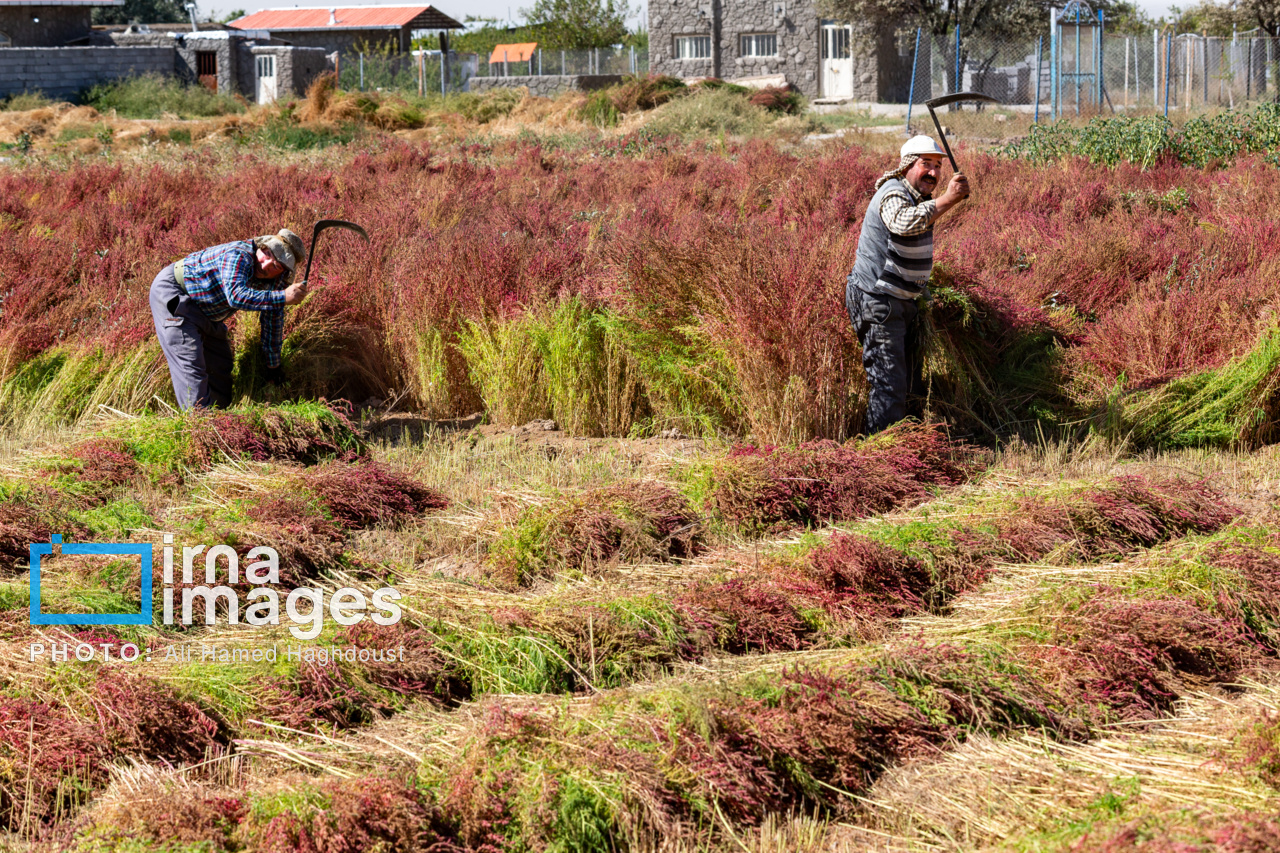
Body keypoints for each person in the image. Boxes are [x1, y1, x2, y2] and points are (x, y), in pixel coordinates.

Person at [847, 135, 971, 434]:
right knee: (889, 382)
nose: (933, 172)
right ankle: (880, 453)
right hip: (879, 302)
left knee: (910, 380)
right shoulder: (893, 194)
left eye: (938, 166)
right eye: (925, 164)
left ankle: (906, 445)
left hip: (901, 302)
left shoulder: (918, 198)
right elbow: (902, 223)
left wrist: (921, 292)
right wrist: (948, 200)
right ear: (906, 166)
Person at [149, 230, 309, 409]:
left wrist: (274, 368)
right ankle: (199, 427)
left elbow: (273, 322)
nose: (265, 266)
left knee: (221, 367)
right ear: (262, 246)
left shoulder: (276, 283)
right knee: (191, 367)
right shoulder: (238, 254)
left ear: (282, 273)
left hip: (208, 313)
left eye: (276, 266)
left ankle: (223, 424)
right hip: (176, 294)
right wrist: (283, 297)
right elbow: (236, 296)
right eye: (268, 254)